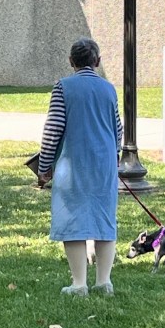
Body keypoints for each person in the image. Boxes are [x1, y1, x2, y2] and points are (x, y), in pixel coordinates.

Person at [37, 37, 122, 296]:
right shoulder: (109, 89)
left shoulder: (63, 87)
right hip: (104, 162)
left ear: (71, 61)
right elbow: (118, 130)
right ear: (98, 61)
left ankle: (78, 283)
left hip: (74, 162)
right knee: (104, 219)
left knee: (72, 218)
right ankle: (104, 281)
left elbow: (53, 129)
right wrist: (114, 155)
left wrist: (43, 165)